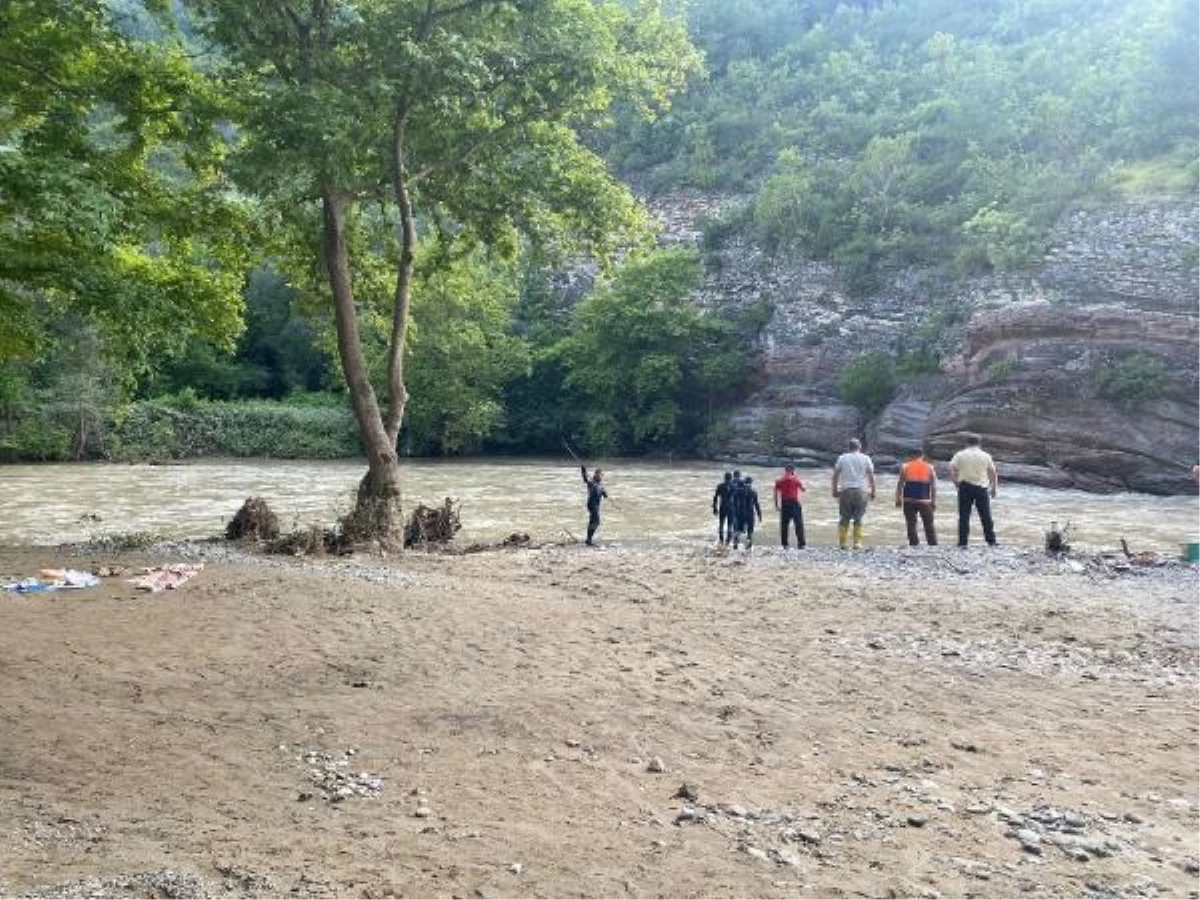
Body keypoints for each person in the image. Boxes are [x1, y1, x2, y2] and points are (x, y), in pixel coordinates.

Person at [949, 434, 998, 547]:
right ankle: (991, 541)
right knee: (985, 515)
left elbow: (952, 469)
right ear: (979, 443)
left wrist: (955, 482)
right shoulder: (986, 456)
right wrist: (994, 488)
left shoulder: (960, 455)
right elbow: (993, 473)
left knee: (964, 515)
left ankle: (962, 542)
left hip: (965, 487)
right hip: (981, 488)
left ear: (967, 443)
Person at [831, 438, 876, 549]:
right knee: (858, 518)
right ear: (859, 447)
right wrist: (873, 491)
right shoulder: (866, 458)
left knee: (844, 517)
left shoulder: (842, 458)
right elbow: (871, 476)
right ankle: (857, 543)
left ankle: (842, 543)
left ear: (849, 447)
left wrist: (835, 490)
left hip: (846, 490)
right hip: (861, 490)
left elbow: (835, 475)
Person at [895, 447, 938, 546]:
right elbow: (934, 486)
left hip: (908, 500)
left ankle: (914, 544)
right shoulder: (930, 467)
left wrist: (898, 498)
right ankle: (933, 545)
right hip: (924, 501)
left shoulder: (905, 466)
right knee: (929, 524)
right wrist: (934, 501)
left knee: (911, 524)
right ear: (922, 456)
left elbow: (900, 484)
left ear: (911, 456)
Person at [774, 464, 807, 548]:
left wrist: (776, 505)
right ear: (792, 471)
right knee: (798, 524)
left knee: (784, 525)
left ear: (785, 470)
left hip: (785, 503)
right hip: (794, 503)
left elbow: (775, 493)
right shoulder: (795, 479)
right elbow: (803, 489)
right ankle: (801, 544)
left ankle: (785, 544)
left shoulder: (780, 480)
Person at [732, 475, 763, 549]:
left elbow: (734, 503)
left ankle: (735, 544)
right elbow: (756, 504)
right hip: (750, 514)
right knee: (750, 531)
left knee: (738, 530)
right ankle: (748, 547)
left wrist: (734, 514)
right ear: (751, 483)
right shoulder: (753, 492)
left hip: (740, 513)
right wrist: (759, 514)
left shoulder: (738, 491)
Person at [580, 465, 608, 546]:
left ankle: (588, 539)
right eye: (599, 474)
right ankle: (589, 539)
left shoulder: (600, 485)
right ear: (595, 475)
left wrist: (605, 493)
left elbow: (605, 495)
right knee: (596, 521)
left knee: (593, 521)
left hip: (596, 505)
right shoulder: (592, 482)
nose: (600, 476)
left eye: (601, 475)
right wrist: (583, 471)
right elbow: (585, 479)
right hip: (592, 504)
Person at [712, 471, 734, 545]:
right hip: (731, 507)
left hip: (723, 507)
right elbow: (737, 500)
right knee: (730, 525)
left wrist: (715, 508)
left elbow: (715, 497)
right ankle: (728, 542)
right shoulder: (733, 486)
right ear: (731, 478)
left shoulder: (720, 486)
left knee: (721, 524)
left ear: (724, 478)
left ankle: (721, 541)